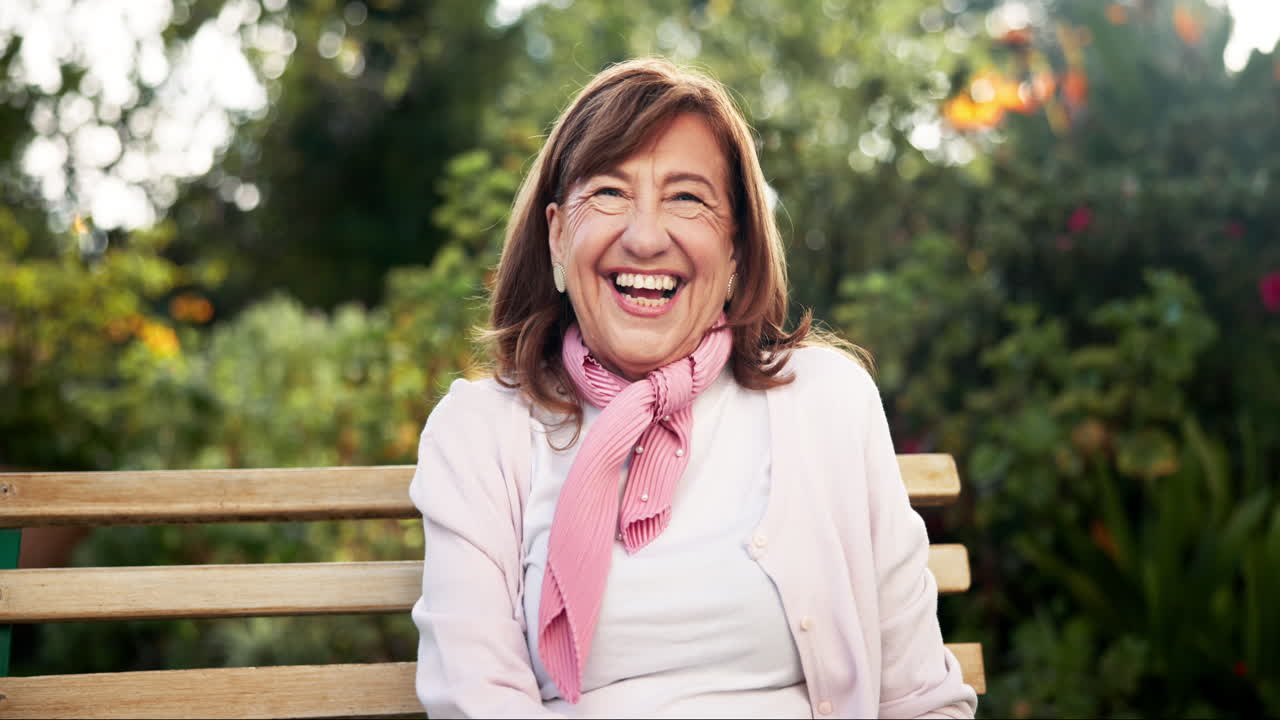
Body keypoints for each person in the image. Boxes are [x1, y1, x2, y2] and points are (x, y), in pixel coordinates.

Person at [409, 57, 978, 719]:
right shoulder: (480, 433)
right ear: (558, 237)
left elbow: (920, 699)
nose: (646, 238)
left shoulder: (829, 403)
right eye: (611, 193)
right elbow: (477, 704)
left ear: (736, 252)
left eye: (687, 198)